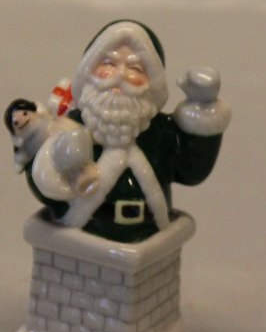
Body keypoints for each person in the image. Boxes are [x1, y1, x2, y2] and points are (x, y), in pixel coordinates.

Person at [30, 20, 231, 242]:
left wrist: (202, 109)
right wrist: (46, 168)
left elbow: (191, 170)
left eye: (135, 68)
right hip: (85, 238)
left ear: (151, 82)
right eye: (108, 63)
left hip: (148, 237)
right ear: (89, 71)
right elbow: (46, 179)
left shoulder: (159, 132)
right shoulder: (73, 127)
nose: (120, 75)